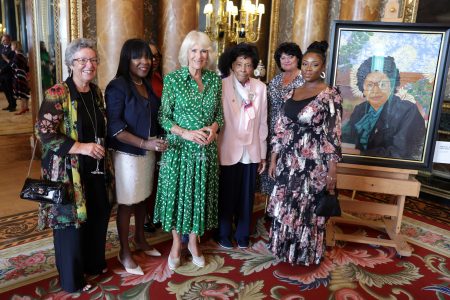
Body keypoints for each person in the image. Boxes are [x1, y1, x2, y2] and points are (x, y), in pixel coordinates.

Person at [35, 38, 113, 292]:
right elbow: (44, 132)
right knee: (70, 224)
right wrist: (82, 147)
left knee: (97, 214)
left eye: (93, 60)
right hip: (67, 173)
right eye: (82, 60)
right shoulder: (58, 92)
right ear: (71, 63)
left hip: (95, 167)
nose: (88, 65)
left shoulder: (96, 91)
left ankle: (93, 265)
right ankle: (73, 280)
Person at [267, 41, 343, 266]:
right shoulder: (292, 91)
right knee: (287, 204)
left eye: (314, 65)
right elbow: (280, 127)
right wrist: (273, 158)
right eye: (306, 64)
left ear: (323, 67)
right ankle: (284, 250)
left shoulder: (330, 94)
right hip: (287, 161)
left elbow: (333, 134)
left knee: (307, 208)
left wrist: (332, 170)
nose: (309, 69)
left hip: (313, 164)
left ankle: (305, 254)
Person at [153, 30, 223, 270]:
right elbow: (163, 116)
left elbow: (219, 116)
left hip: (205, 150)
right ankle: (176, 244)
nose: (199, 56)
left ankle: (193, 242)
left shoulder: (214, 80)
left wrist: (214, 129)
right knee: (177, 196)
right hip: (179, 149)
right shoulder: (173, 80)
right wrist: (185, 133)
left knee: (199, 195)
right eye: (194, 50)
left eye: (204, 51)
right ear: (186, 53)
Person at [105, 39, 167, 275]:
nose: (145, 62)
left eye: (148, 57)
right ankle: (124, 251)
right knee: (128, 201)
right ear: (126, 59)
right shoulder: (118, 86)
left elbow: (154, 116)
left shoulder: (145, 83)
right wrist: (145, 143)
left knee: (142, 197)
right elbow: (115, 127)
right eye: (137, 57)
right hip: (127, 154)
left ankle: (140, 239)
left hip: (147, 151)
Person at [216, 43, 268, 249]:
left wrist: (262, 154)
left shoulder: (260, 88)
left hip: (251, 149)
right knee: (227, 194)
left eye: (248, 65)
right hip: (228, 148)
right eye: (239, 64)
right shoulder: (222, 85)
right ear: (232, 66)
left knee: (247, 195)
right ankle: (223, 233)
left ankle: (243, 233)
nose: (243, 69)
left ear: (254, 67)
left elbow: (263, 121)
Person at [342, 56, 426, 160]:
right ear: (362, 88)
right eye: (369, 85)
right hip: (357, 167)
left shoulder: (407, 111)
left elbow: (400, 153)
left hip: (392, 172)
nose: (375, 90)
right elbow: (346, 141)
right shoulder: (360, 110)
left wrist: (360, 154)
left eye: (382, 84)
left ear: (392, 85)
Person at [259, 42, 304, 197]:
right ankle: (269, 210)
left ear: (298, 58)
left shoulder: (303, 80)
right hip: (271, 130)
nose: (286, 60)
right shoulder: (276, 79)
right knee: (269, 173)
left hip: (291, 133)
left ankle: (283, 209)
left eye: (290, 56)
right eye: (282, 57)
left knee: (286, 172)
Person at [144, 41, 163, 233]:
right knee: (146, 178)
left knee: (157, 177)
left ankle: (156, 213)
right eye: (150, 56)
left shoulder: (159, 77)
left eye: (157, 56)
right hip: (144, 137)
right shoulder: (137, 80)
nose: (154, 60)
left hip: (162, 134)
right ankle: (146, 217)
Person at [2, 41, 30, 115]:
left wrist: (6, 59)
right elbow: (27, 68)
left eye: (12, 46)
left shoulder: (17, 56)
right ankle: (26, 107)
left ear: (15, 46)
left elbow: (13, 65)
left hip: (18, 75)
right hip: (23, 75)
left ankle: (22, 108)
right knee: (24, 91)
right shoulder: (23, 55)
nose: (11, 47)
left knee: (20, 92)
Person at [0, 34, 16, 111]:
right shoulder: (1, 47)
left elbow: (11, 62)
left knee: (10, 89)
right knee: (5, 89)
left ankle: (13, 105)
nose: (3, 41)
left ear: (9, 40)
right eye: (2, 40)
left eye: (5, 40)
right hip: (1, 73)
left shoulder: (12, 48)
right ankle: (10, 104)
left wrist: (2, 69)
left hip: (8, 73)